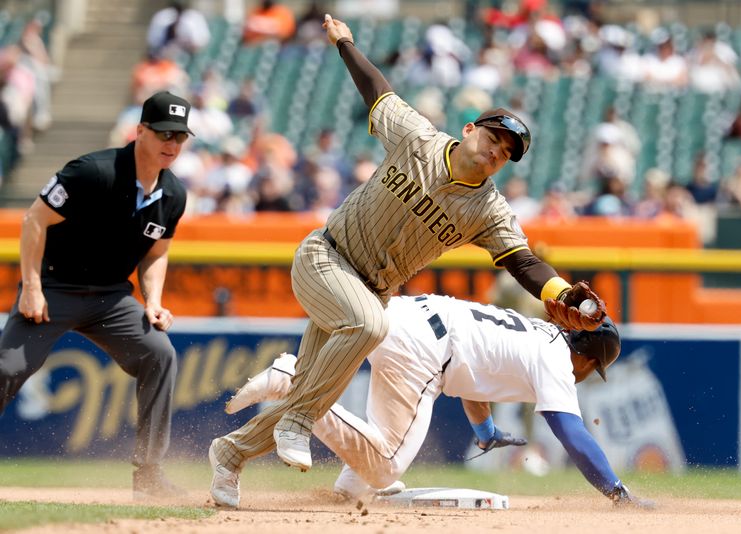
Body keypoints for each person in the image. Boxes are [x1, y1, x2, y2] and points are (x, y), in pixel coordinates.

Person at [208, 14, 607, 508]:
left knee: (318, 385)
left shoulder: (487, 209)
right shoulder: (418, 138)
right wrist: (346, 43)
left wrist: (562, 293)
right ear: (469, 129)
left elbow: (523, 261)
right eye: (492, 139)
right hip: (325, 255)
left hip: (371, 287)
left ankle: (230, 454)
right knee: (368, 329)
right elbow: (377, 91)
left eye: (505, 153)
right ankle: (295, 421)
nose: (494, 153)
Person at [223, 294, 652, 509]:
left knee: (377, 459)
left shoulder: (535, 333)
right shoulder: (558, 361)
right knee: (388, 465)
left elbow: (473, 384)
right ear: (584, 354)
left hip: (407, 317)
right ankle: (292, 380)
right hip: (426, 349)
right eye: (590, 367)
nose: (583, 377)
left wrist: (484, 432)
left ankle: (345, 498)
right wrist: (616, 491)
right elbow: (572, 433)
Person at [0, 91, 191, 499]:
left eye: (180, 136)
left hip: (110, 297)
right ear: (140, 131)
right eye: (163, 133)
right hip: (54, 288)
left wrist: (153, 301)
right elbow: (34, 219)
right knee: (6, 368)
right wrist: (31, 288)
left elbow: (157, 255)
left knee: (160, 354)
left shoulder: (173, 194)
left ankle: (149, 475)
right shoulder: (93, 171)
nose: (172, 144)